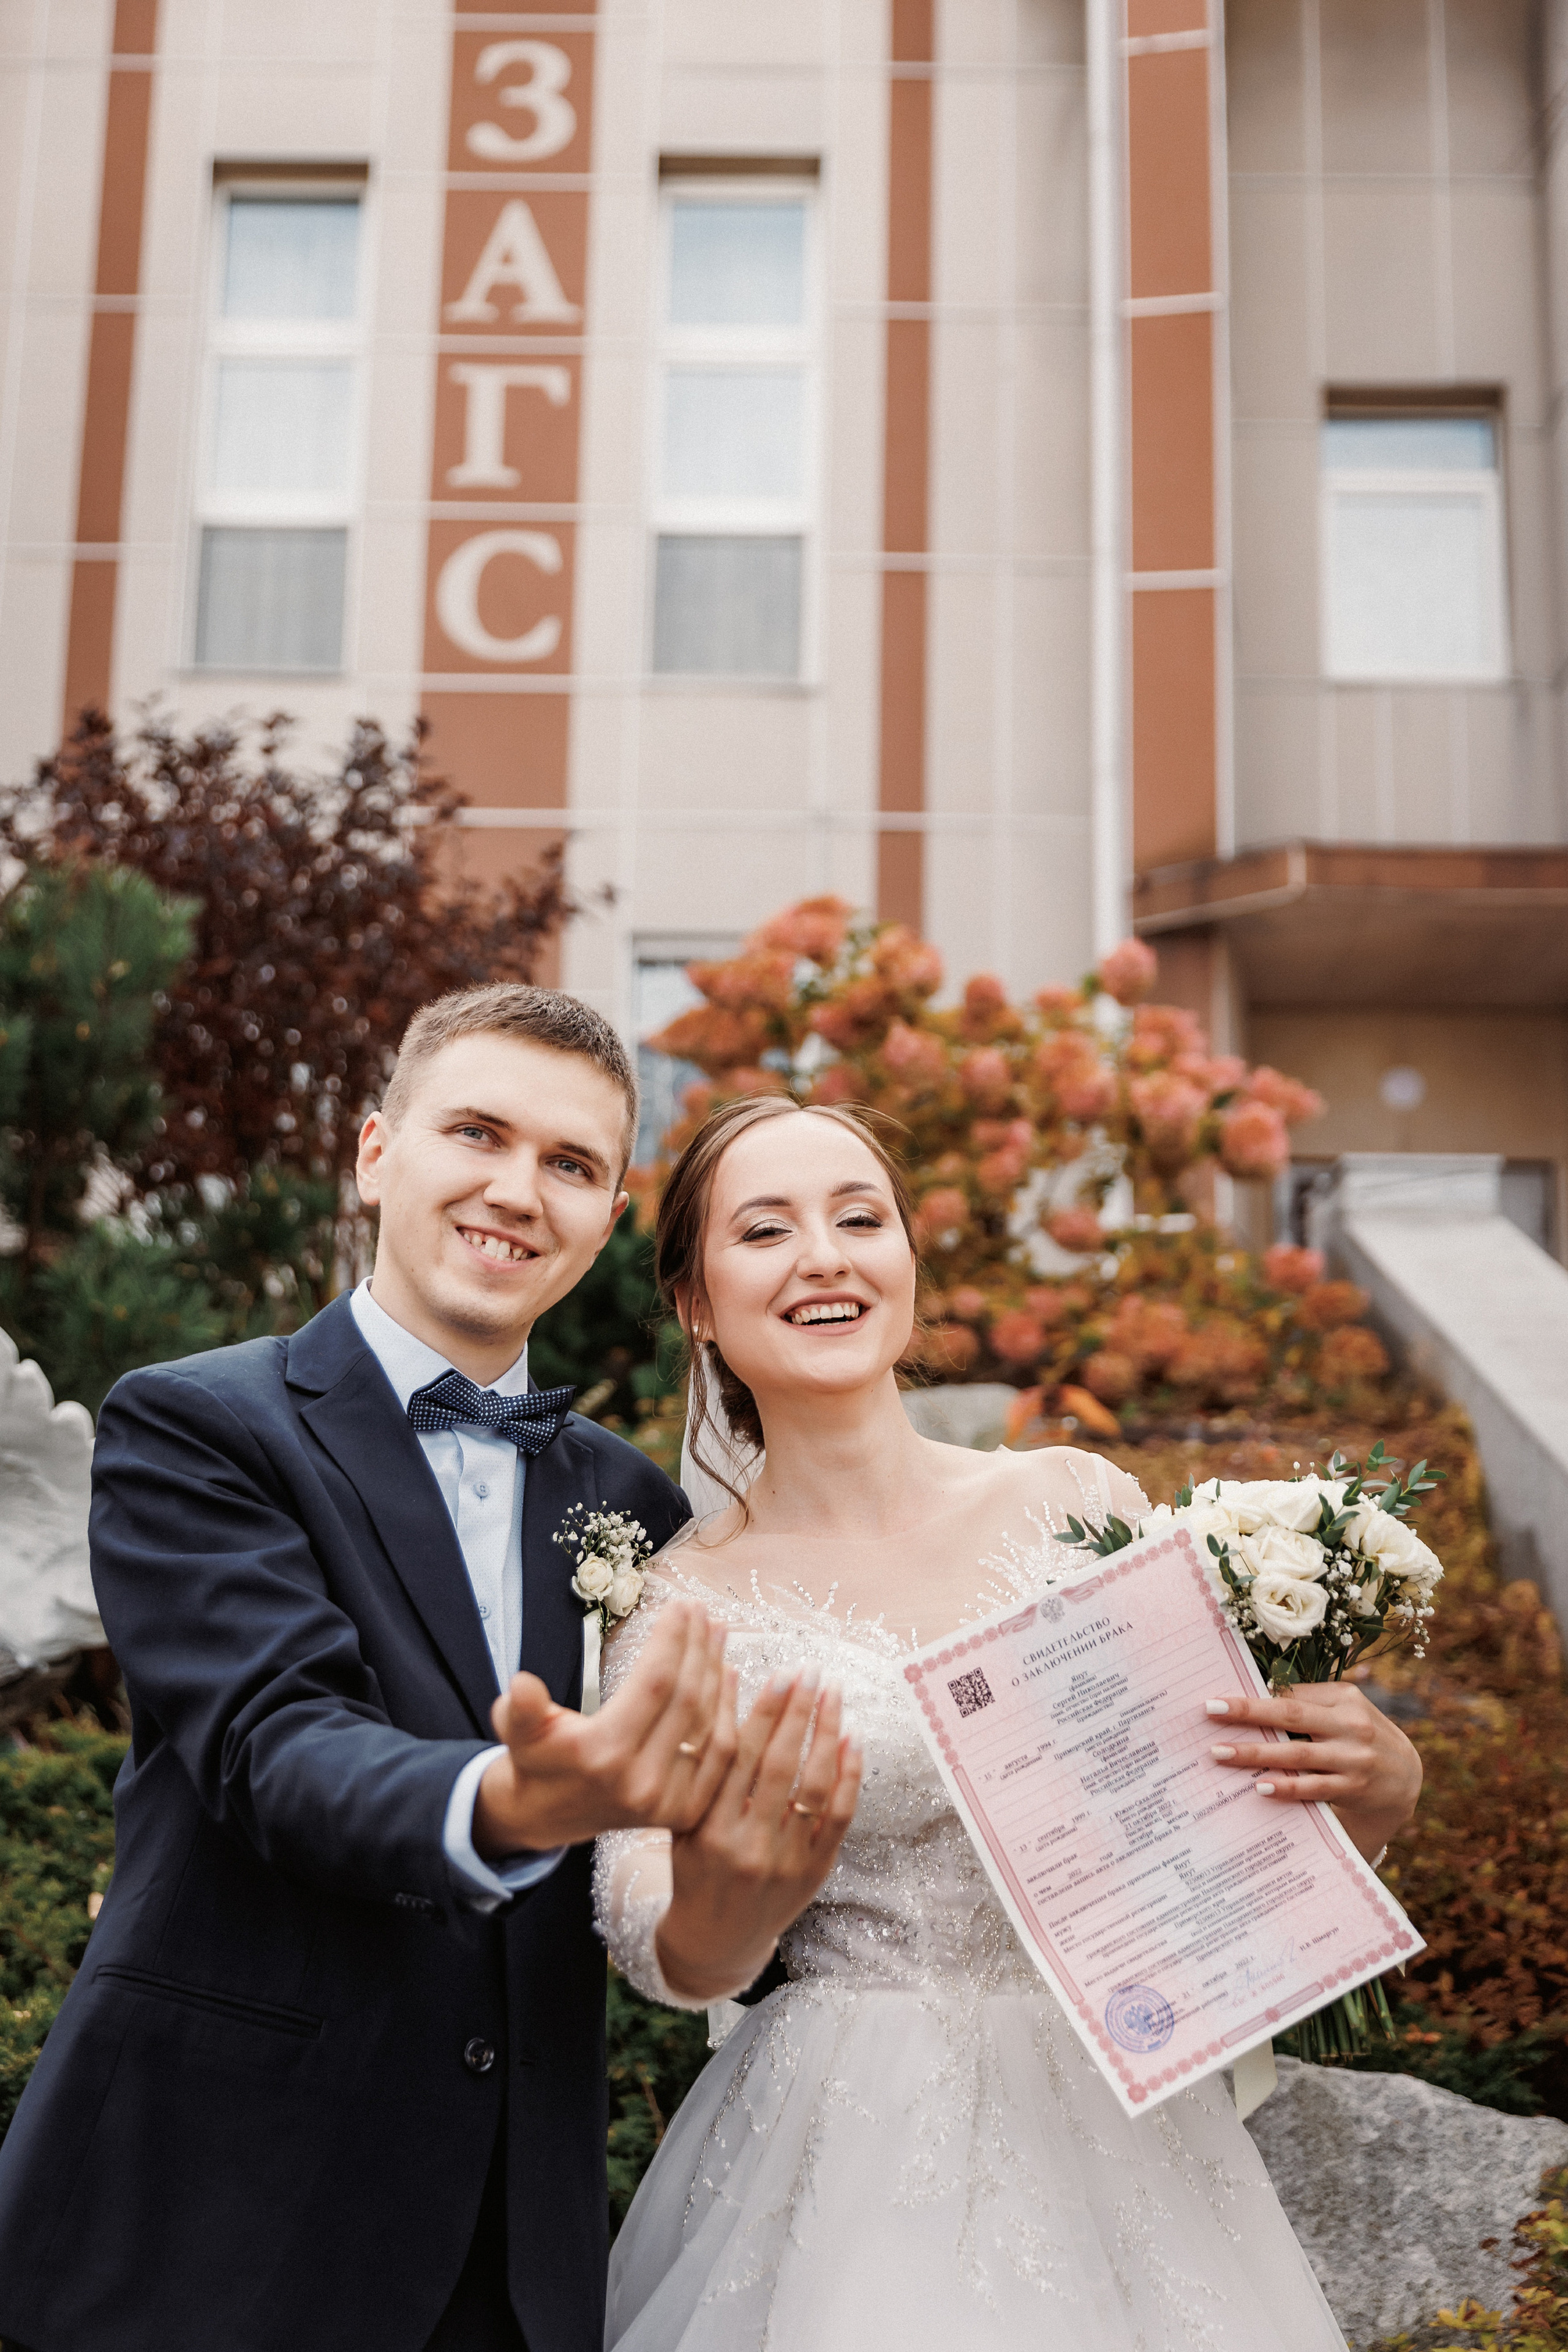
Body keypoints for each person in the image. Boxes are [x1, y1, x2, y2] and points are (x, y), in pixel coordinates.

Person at [0, 987, 858, 2352]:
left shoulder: (637, 1513)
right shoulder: (195, 1425)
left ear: (606, 1215)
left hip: (510, 2262)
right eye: (477, 1133)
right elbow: (275, 1750)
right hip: (213, 2228)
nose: (519, 1191)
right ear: (374, 1153)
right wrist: (516, 1803)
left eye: (571, 1165)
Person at [594, 1096, 1425, 2352]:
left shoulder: (1074, 1503)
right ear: (698, 1302)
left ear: (905, 1261)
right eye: (765, 1230)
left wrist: (1375, 1787)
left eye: (857, 1217)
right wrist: (729, 1902)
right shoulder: (681, 1604)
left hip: (1127, 2113)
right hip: (846, 2143)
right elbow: (648, 1936)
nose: (824, 1254)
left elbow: (1206, 1833)